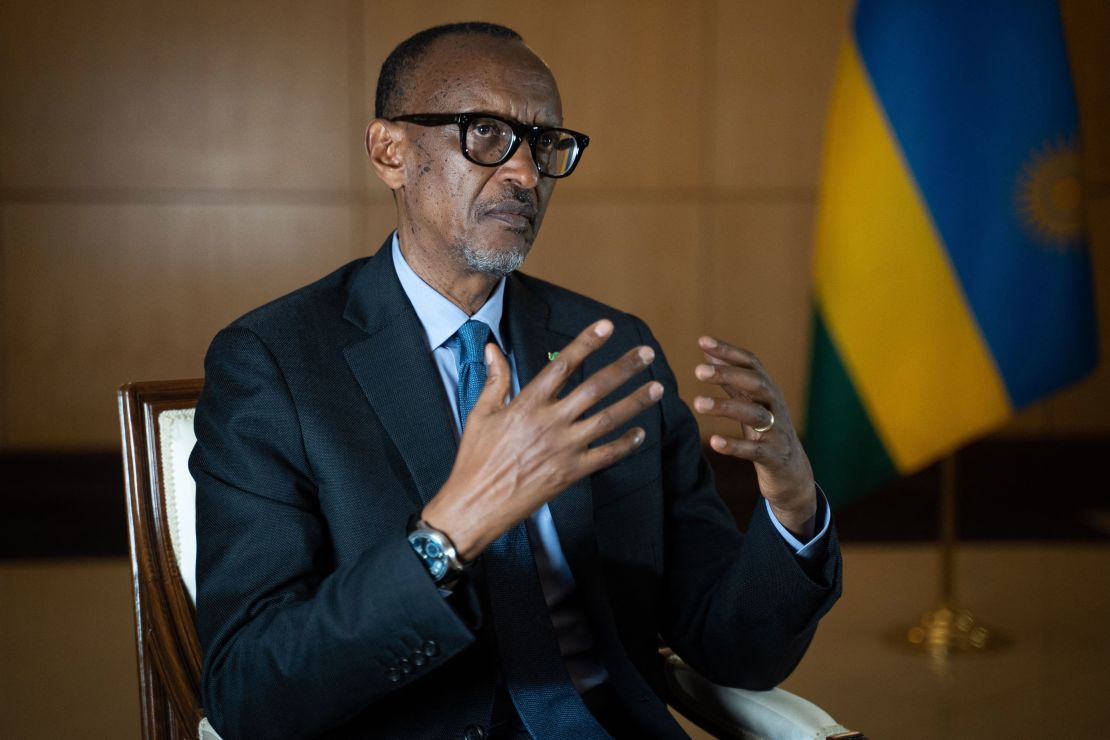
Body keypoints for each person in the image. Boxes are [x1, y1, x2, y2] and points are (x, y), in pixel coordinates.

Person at [191, 21, 841, 740]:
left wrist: (794, 514)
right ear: (391, 152)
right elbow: (249, 691)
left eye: (544, 144)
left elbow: (731, 646)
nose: (526, 174)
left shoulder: (609, 349)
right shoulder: (276, 363)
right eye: (485, 134)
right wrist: (449, 533)